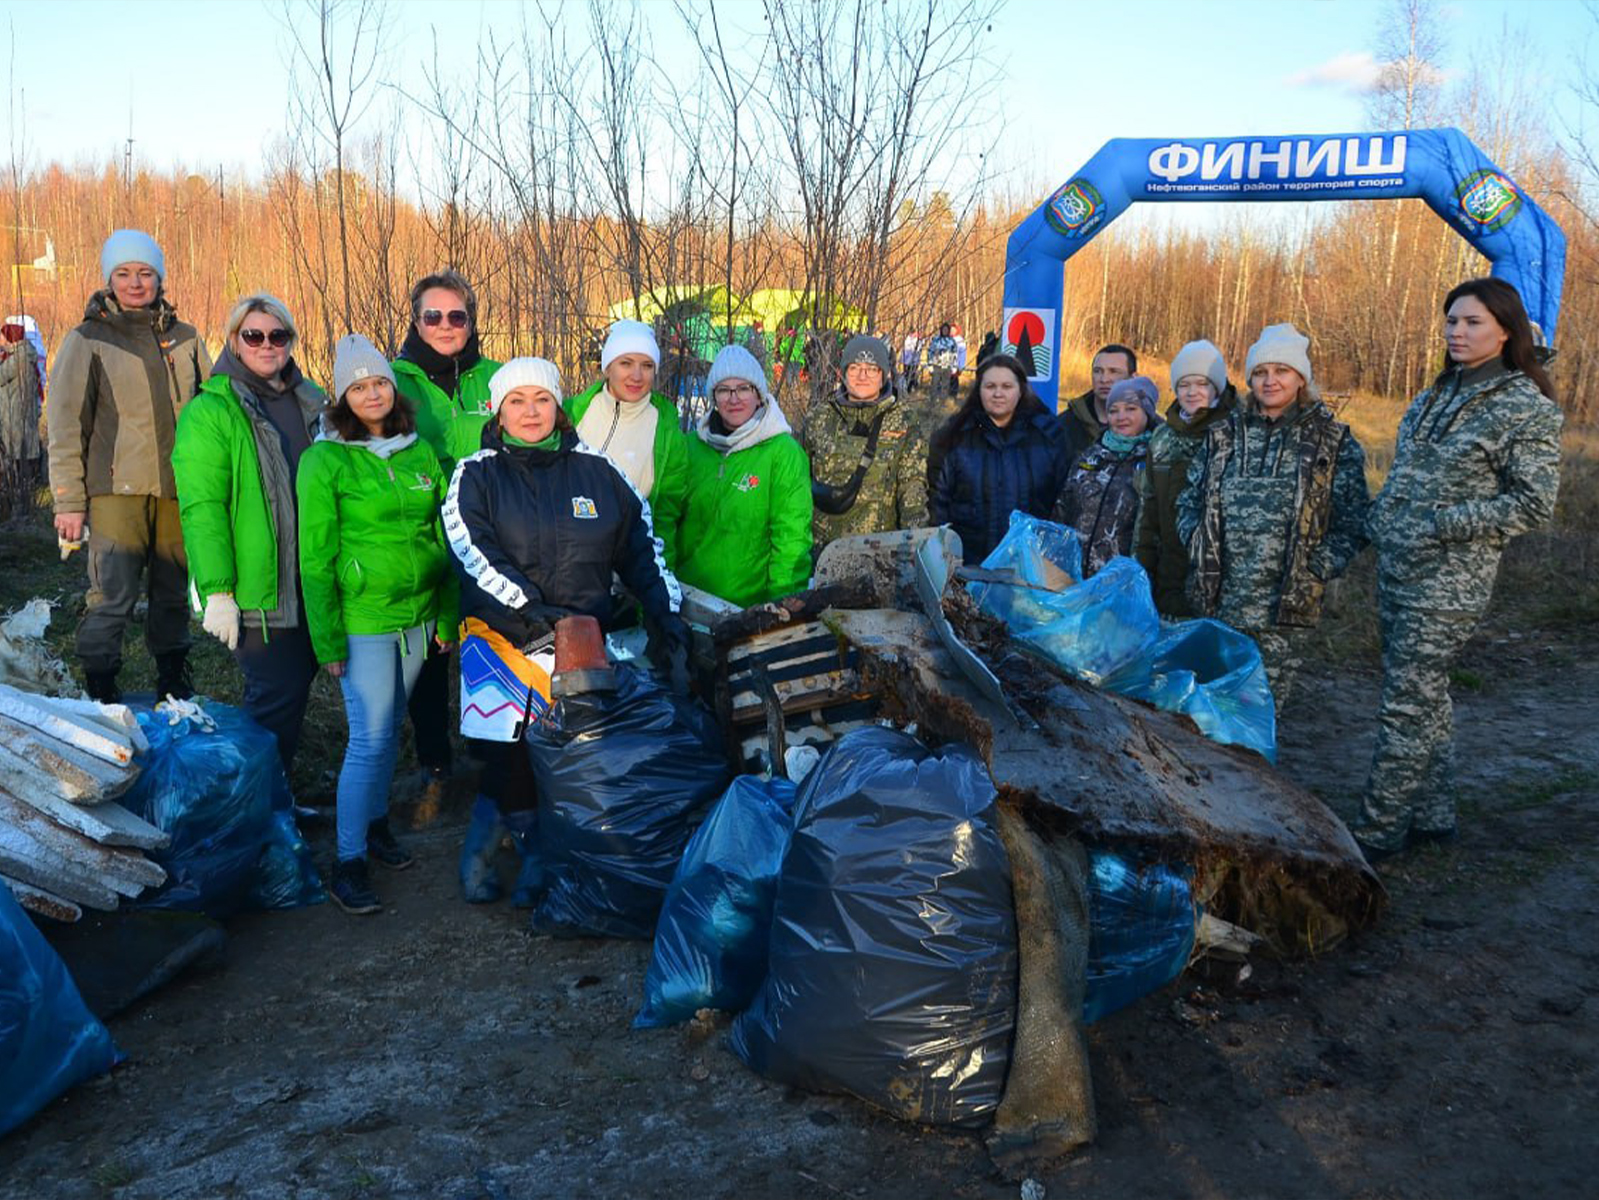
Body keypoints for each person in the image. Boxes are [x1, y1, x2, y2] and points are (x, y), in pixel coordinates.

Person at [446, 357, 690, 903]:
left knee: (570, 756)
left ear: (558, 407)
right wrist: (531, 611)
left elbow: (642, 550)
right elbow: (471, 552)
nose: (530, 412)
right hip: (502, 638)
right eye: (517, 401)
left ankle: (554, 856)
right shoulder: (477, 474)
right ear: (498, 409)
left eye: (540, 400)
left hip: (579, 642)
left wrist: (664, 612)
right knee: (508, 755)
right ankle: (497, 854)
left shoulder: (598, 473)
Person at [1354, 279, 1564, 860]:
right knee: (1425, 695)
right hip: (1399, 566)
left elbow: (1531, 504)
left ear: (1505, 329)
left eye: (1471, 322)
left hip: (1450, 579)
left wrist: (1445, 522)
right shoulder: (1433, 396)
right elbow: (1406, 480)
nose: (1456, 332)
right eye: (1451, 321)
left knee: (1404, 701)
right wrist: (1386, 522)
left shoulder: (1525, 406)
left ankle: (1377, 833)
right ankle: (1434, 815)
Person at [296, 335, 457, 913]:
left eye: (380, 383)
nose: (372, 394)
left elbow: (444, 538)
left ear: (394, 388)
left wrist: (447, 611)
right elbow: (315, 558)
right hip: (362, 619)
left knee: (391, 733)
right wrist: (327, 639)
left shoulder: (419, 453)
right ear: (343, 395)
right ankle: (347, 862)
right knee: (368, 738)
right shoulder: (325, 460)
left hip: (419, 617)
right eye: (359, 386)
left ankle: (374, 826)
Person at [47, 230, 211, 702]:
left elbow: (212, 408)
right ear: (109, 279)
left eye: (144, 273)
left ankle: (173, 680)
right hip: (116, 489)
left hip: (178, 490)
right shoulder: (89, 337)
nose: (135, 283)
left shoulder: (186, 338)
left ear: (159, 277)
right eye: (123, 274)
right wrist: (69, 502)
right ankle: (100, 685)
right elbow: (64, 424)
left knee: (172, 592)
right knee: (112, 594)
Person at [1176, 323, 1369, 712]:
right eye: (1261, 372)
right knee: (1213, 710)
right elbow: (1187, 501)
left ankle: (1256, 772)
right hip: (1219, 600)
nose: (1270, 381)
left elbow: (1355, 520)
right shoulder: (1223, 435)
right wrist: (1198, 543)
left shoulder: (1332, 440)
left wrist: (1319, 566)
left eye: (1281, 371)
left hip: (1284, 607)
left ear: (1301, 377)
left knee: (1260, 711)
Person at [172, 294, 327, 774]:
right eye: (253, 335)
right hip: (258, 589)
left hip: (312, 580)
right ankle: (253, 812)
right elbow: (203, 509)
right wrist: (217, 590)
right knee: (273, 701)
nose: (266, 345)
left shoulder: (311, 402)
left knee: (295, 688)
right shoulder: (212, 411)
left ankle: (274, 799)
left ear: (291, 342)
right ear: (235, 341)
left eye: (277, 335)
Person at [392, 270, 499, 811]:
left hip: (490, 537)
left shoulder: (496, 379)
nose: (445, 326)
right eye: (432, 316)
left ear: (471, 321)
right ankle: (434, 761)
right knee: (430, 654)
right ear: (416, 321)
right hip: (423, 535)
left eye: (456, 316)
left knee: (486, 641)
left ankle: (489, 757)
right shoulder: (393, 383)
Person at [676, 345, 813, 607]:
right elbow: (665, 520)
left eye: (743, 388)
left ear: (759, 394)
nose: (733, 398)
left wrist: (782, 606)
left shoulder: (782, 452)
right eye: (724, 390)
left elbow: (791, 537)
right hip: (687, 598)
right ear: (713, 396)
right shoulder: (690, 447)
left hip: (748, 610)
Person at [563, 319, 689, 569]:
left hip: (630, 567)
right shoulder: (573, 413)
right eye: (626, 363)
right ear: (608, 367)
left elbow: (665, 515)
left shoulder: (667, 432)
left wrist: (660, 579)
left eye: (647, 365)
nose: (636, 376)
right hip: (568, 558)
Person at [928, 354, 1067, 564]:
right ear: (979, 390)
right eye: (990, 386)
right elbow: (937, 503)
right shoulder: (954, 436)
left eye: (1007, 386)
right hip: (968, 565)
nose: (998, 394)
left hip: (1031, 568)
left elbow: (1063, 503)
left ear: (1020, 390)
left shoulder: (1048, 437)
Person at [1133, 340, 1238, 616]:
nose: (1192, 392)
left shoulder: (1236, 434)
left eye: (1202, 384)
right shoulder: (1163, 438)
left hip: (1223, 584)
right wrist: (1141, 569)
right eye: (1183, 384)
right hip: (1170, 575)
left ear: (1216, 387)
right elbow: (1149, 511)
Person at [799, 333, 930, 552]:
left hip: (879, 553)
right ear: (842, 373)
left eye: (872, 369)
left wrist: (916, 548)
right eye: (854, 368)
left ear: (884, 375)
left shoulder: (905, 420)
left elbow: (912, 487)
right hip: (822, 553)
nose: (863, 376)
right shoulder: (819, 417)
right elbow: (798, 483)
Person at [1053, 375, 1157, 576]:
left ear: (1147, 413)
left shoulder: (1155, 461)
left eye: (1131, 409)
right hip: (1073, 577)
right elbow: (1062, 510)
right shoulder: (1090, 456)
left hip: (1121, 582)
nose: (1121, 417)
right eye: (1113, 410)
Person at [1058, 343, 1136, 460]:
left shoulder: (1151, 428)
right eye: (1098, 371)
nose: (1104, 379)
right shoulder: (1064, 426)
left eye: (1114, 372)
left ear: (1132, 378)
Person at [0, 322, 42, 489]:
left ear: (11, 337)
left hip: (16, 413)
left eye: (2, 335)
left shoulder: (21, 357)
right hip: (16, 411)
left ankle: (24, 491)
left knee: (18, 452)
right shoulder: (20, 353)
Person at [926, 323, 960, 399]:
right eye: (943, 330)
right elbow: (930, 352)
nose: (945, 331)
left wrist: (954, 366)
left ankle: (943, 401)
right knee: (935, 384)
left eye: (946, 330)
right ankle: (933, 401)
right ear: (941, 330)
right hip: (937, 365)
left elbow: (955, 354)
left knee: (945, 385)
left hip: (947, 365)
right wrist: (930, 364)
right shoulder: (936, 340)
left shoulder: (952, 341)